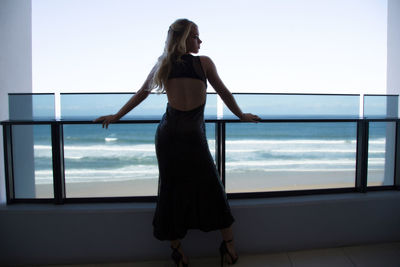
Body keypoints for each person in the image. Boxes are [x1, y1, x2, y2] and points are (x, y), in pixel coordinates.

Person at [95, 18, 260, 267]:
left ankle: (178, 252)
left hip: (168, 134)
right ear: (184, 39)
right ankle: (228, 247)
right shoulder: (204, 63)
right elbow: (225, 93)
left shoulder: (164, 65)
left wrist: (116, 116)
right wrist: (242, 116)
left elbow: (141, 94)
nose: (200, 40)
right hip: (193, 136)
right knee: (211, 188)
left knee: (171, 191)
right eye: (196, 36)